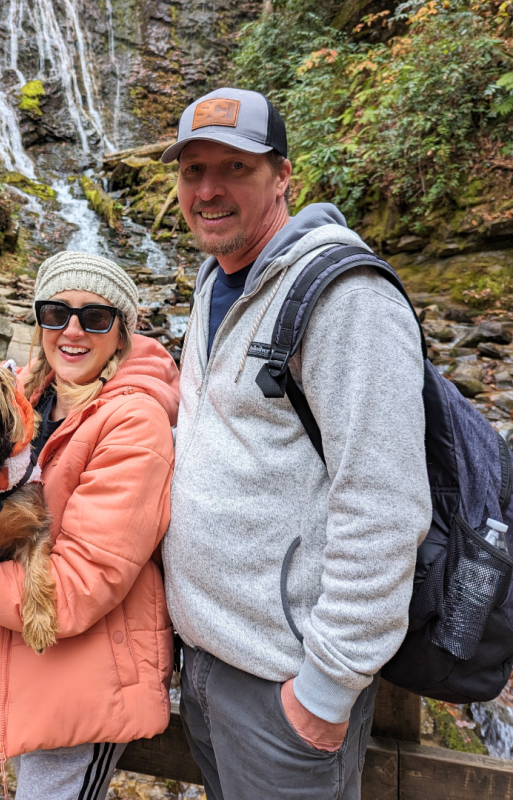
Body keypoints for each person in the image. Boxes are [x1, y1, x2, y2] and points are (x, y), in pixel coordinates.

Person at [161, 88, 432, 799]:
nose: (208, 190)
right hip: (206, 661)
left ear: (282, 176)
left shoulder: (346, 297)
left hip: (287, 682)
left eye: (235, 168)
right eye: (193, 171)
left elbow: (385, 501)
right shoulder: (215, 281)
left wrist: (326, 686)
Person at [0, 251, 180, 800]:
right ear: (37, 321)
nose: (72, 330)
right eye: (55, 313)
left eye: (95, 317)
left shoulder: (135, 421)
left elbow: (80, 586)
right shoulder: (24, 393)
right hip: (21, 661)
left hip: (84, 676)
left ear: (122, 332)